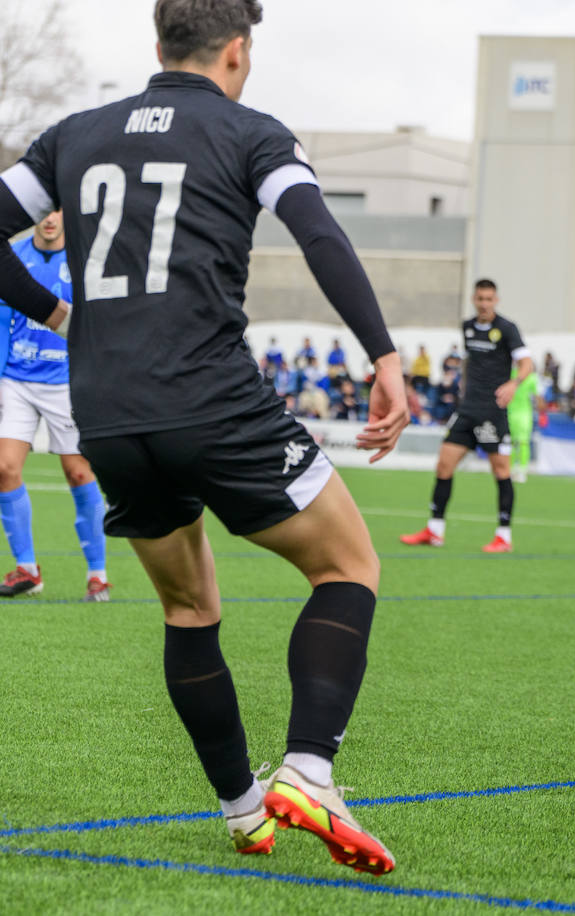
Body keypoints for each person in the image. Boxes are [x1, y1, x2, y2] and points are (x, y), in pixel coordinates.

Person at [0, 0, 408, 871]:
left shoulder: (73, 134)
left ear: (158, 46)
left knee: (188, 608)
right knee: (348, 566)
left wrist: (55, 311)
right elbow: (317, 232)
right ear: (240, 49)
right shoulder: (251, 131)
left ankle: (242, 813)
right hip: (212, 399)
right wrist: (383, 354)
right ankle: (308, 769)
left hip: (105, 411)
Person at [0, 210, 110, 600]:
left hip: (66, 381)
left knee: (78, 472)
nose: (49, 219)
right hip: (16, 379)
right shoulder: (12, 256)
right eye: (41, 211)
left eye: (57, 210)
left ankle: (97, 574)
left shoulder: (83, 259)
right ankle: (27, 570)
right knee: (4, 468)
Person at [400, 278, 533, 552]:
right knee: (444, 466)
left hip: (492, 412)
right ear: (474, 299)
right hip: (467, 410)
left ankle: (503, 536)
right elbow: (471, 361)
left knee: (501, 471)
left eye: (489, 299)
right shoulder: (468, 327)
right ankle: (435, 531)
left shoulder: (507, 329)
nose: (484, 304)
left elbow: (527, 363)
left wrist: (513, 383)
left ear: (496, 300)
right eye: (480, 299)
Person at [507, 364, 540, 483]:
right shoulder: (531, 377)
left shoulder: (510, 375)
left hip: (515, 413)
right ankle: (518, 470)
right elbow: (538, 397)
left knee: (515, 443)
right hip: (520, 414)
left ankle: (515, 470)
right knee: (521, 443)